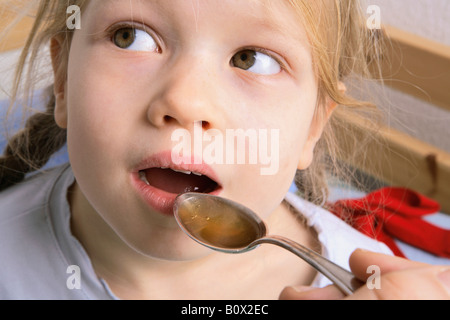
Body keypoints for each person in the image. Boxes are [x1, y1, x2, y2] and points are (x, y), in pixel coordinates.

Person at [0, 0, 448, 300]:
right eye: (130, 36)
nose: (187, 101)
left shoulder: (355, 278)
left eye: (253, 59)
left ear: (312, 127)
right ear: (62, 80)